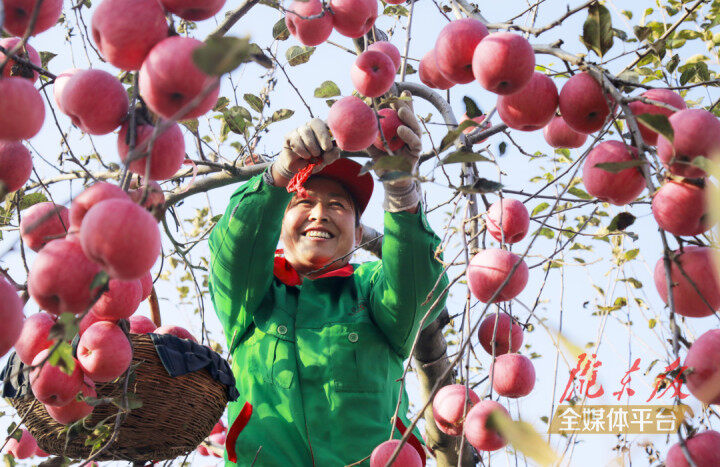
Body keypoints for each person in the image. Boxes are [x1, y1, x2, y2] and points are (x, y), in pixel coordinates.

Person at [208, 93, 449, 466]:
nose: (320, 214)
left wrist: (402, 191)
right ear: (279, 223)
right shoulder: (255, 296)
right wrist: (279, 173)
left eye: (337, 205)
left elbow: (419, 288)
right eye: (303, 201)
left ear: (357, 234)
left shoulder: (369, 290)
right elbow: (232, 249)